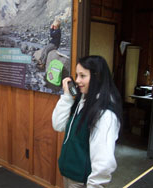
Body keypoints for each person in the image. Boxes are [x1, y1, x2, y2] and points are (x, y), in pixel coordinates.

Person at [52, 55, 122, 188]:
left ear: (98, 77)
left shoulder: (105, 114)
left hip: (82, 181)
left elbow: (104, 161)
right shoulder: (82, 100)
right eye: (77, 75)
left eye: (82, 76)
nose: (77, 80)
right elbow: (58, 125)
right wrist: (67, 96)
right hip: (69, 174)